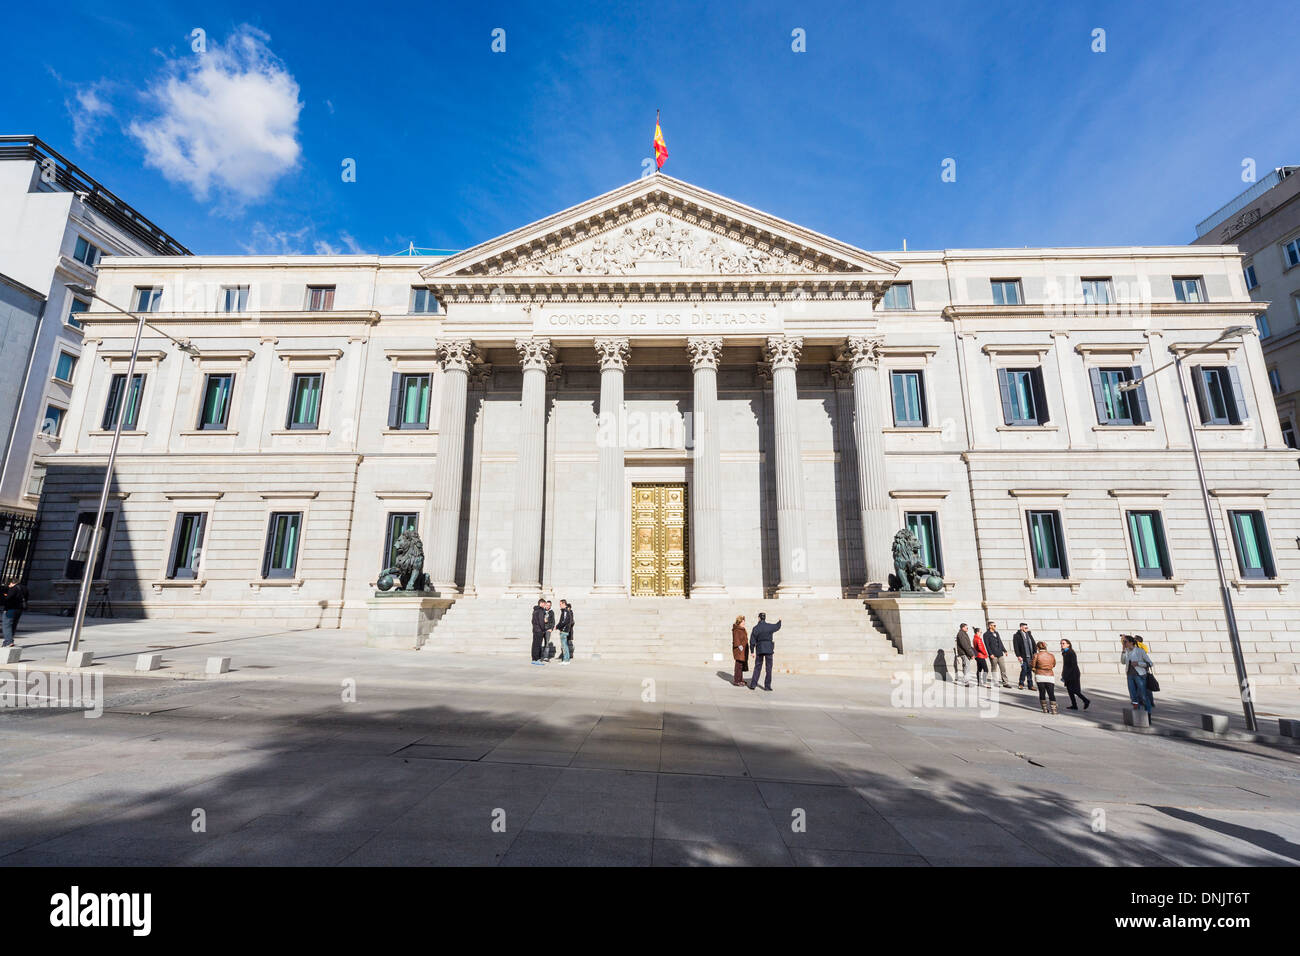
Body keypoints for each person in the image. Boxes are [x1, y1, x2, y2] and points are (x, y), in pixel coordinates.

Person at [1121, 635, 1154, 718]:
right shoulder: (1126, 651)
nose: (1124, 643)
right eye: (1123, 642)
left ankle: (1148, 713)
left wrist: (1138, 663)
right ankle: (1137, 713)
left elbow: (1150, 663)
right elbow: (1123, 662)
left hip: (1140, 676)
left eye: (1126, 642)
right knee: (1133, 696)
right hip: (1130, 676)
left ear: (1131, 642)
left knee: (1143, 695)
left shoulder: (1140, 651)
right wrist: (1123, 651)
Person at [747, 612, 781, 691]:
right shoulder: (769, 626)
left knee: (757, 667)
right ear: (765, 618)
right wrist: (780, 621)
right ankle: (767, 686)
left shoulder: (756, 628)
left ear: (759, 618)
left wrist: (752, 651)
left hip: (760, 649)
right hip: (769, 649)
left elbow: (752, 641)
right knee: (768, 668)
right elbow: (777, 627)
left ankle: (753, 684)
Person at [1060, 638, 1090, 710]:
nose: (1061, 645)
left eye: (1063, 643)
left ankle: (1086, 701)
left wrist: (1066, 675)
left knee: (1075, 690)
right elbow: (1066, 665)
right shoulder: (1065, 652)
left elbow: (1073, 665)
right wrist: (1063, 673)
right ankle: (1074, 705)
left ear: (1068, 644)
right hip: (1068, 674)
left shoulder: (1071, 652)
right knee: (1070, 690)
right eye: (1061, 643)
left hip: (1073, 674)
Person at [1031, 641, 1058, 714]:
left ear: (1037, 648)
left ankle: (1045, 709)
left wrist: (1034, 668)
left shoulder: (1036, 655)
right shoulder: (1051, 655)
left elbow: (1033, 665)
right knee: (1051, 693)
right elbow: (1054, 664)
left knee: (1042, 692)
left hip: (1040, 675)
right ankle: (1054, 710)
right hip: (1050, 675)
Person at [984, 621, 1011, 688]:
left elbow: (1000, 642)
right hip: (993, 655)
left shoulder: (996, 633)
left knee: (1003, 668)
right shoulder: (986, 634)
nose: (995, 627)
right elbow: (987, 645)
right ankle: (995, 682)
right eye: (994, 625)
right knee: (994, 669)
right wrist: (990, 654)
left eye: (995, 625)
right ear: (990, 626)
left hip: (1000, 654)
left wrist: (1004, 650)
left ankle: (1005, 682)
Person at [2, 579, 27, 647]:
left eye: (9, 584)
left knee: (6, 625)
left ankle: (9, 641)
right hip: (19, 609)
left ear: (12, 583)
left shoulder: (13, 589)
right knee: (13, 625)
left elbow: (8, 599)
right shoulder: (24, 588)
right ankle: (8, 640)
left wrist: (4, 597)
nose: (9, 586)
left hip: (11, 609)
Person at [1013, 622, 1037, 691]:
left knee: (1029, 670)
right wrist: (1018, 656)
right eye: (1025, 628)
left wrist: (1035, 652)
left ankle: (1030, 685)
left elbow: (1033, 643)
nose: (1027, 629)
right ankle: (1021, 684)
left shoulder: (1029, 634)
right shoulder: (1016, 635)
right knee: (1024, 670)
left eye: (1027, 627)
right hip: (1023, 656)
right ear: (1021, 628)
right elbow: (1016, 646)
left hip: (1031, 656)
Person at [555, 599, 574, 665]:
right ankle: (566, 659)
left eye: (560, 604)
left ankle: (566, 660)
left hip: (564, 630)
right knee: (564, 645)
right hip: (564, 630)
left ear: (563, 604)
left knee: (564, 646)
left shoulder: (565, 611)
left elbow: (564, 621)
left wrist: (557, 626)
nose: (559, 605)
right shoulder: (565, 611)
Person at [530, 598, 548, 665]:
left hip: (535, 630)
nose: (545, 605)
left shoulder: (535, 610)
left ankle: (534, 659)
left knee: (534, 644)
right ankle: (537, 659)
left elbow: (532, 621)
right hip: (539, 630)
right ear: (541, 603)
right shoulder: (540, 610)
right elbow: (541, 621)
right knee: (538, 645)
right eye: (544, 604)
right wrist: (543, 630)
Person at [731, 615, 749, 686]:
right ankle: (736, 680)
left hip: (743, 650)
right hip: (739, 650)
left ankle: (740, 679)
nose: (744, 623)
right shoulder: (736, 629)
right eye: (743, 621)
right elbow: (736, 639)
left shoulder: (742, 629)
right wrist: (740, 647)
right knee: (738, 665)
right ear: (740, 622)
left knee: (741, 666)